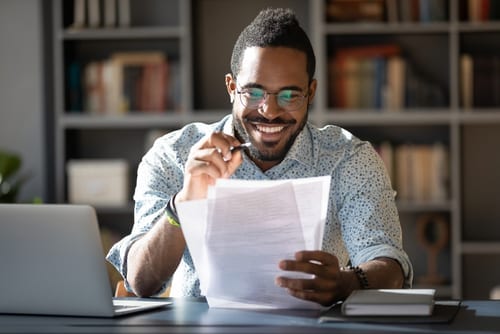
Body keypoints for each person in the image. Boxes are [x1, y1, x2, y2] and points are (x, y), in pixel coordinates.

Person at [107, 7, 413, 307]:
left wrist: (346, 283)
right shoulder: (173, 155)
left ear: (311, 92)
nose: (269, 111)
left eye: (289, 95)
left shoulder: (348, 159)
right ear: (231, 87)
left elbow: (391, 267)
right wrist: (184, 203)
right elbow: (140, 281)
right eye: (253, 93)